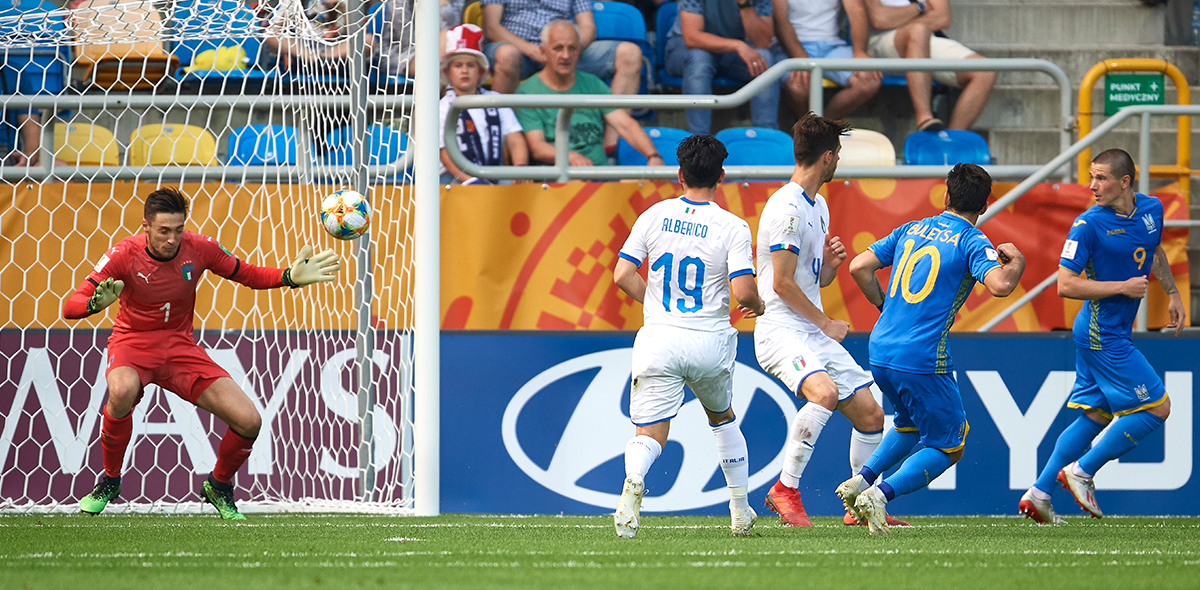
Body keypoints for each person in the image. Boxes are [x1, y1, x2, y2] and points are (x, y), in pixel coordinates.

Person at [62, 188, 340, 520]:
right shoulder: (123, 254)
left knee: (249, 420)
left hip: (179, 348)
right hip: (132, 345)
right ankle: (109, 480)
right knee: (121, 391)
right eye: (164, 231)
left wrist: (288, 278)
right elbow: (70, 305)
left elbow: (246, 274)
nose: (171, 239)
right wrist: (93, 305)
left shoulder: (199, 247)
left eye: (178, 229)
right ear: (146, 227)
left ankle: (218, 485)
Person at [836, 163, 1026, 536]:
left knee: (909, 424)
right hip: (922, 356)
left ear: (945, 196)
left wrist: (885, 309)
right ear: (984, 206)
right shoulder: (972, 240)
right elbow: (1001, 286)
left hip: (881, 348)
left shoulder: (911, 229)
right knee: (949, 442)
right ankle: (881, 494)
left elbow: (859, 266)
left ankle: (861, 481)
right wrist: (1018, 260)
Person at [1018, 149, 1186, 524]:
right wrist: (1121, 288)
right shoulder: (1087, 225)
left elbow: (1154, 248)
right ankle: (1081, 472)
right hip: (1101, 333)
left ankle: (1040, 493)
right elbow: (1065, 285)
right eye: (1091, 177)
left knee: (1095, 415)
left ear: (1125, 182)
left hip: (1109, 331)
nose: (1092, 185)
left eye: (1101, 178)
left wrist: (1172, 293)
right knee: (1157, 407)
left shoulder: (1152, 209)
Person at [612, 134, 765, 538]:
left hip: (660, 338)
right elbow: (745, 292)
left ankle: (633, 483)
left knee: (649, 433)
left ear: (679, 174)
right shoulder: (732, 226)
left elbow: (623, 274)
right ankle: (739, 511)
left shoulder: (653, 215)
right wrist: (760, 306)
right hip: (708, 342)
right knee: (723, 419)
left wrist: (656, 305)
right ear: (722, 176)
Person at [753, 112, 897, 528]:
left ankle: (860, 505)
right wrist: (828, 323)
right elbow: (780, 284)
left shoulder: (817, 206)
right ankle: (785, 489)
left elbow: (809, 280)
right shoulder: (788, 208)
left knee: (871, 415)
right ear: (829, 157)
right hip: (781, 330)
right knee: (825, 394)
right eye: (839, 154)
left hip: (807, 329)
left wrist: (830, 266)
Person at [514, 20, 664, 168]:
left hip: (600, 177)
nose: (566, 55)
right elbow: (537, 147)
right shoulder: (527, 92)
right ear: (543, 52)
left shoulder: (593, 83)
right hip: (558, 178)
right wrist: (571, 157)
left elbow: (625, 124)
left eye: (572, 48)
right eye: (558, 48)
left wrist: (653, 155)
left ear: (579, 52)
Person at [863, 0, 994, 131]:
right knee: (918, 31)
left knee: (984, 72)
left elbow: (942, 18)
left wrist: (898, 19)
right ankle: (925, 119)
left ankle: (950, 141)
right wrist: (920, 8)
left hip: (925, 37)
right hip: (881, 41)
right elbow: (879, 19)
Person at [664, 0, 785, 135]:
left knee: (765, 58)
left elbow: (762, 42)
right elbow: (692, 38)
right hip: (685, 49)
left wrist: (744, 4)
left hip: (729, 53)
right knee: (700, 59)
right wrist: (737, 45)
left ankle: (766, 138)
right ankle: (699, 142)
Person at [480, 0, 643, 96]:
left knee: (630, 54)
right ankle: (497, 133)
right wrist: (531, 50)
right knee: (507, 55)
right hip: (518, 49)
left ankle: (612, 143)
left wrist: (570, 50)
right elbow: (492, 28)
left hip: (562, 49)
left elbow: (588, 27)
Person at [439, 24, 529, 184]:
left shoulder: (495, 99)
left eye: (471, 65)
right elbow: (444, 153)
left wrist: (521, 167)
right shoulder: (442, 107)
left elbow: (515, 138)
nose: (464, 71)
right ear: (447, 71)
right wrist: (471, 181)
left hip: (494, 174)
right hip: (455, 179)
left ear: (481, 71)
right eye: (458, 65)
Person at [773, 0, 881, 121]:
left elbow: (857, 10)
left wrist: (860, 52)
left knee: (868, 81)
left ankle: (819, 128)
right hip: (791, 48)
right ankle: (811, 129)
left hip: (831, 46)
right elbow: (779, 19)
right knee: (798, 86)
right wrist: (800, 58)